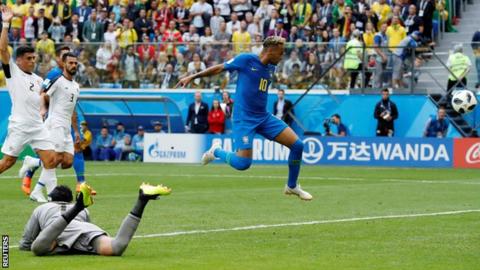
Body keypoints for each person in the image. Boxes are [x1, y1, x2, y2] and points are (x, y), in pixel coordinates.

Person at [176, 36, 312, 201]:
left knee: (297, 145)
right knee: (243, 164)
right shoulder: (246, 60)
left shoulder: (271, 68)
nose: (282, 56)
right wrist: (192, 77)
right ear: (271, 50)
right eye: (281, 52)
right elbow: (219, 68)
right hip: (244, 119)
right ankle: (216, 151)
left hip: (263, 117)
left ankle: (291, 186)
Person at [19, 183, 171, 256]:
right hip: (83, 230)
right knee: (116, 248)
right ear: (70, 200)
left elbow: (26, 241)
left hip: (54, 234)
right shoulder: (85, 211)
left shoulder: (41, 208)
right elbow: (87, 228)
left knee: (37, 248)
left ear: (50, 200)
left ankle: (74, 210)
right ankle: (142, 199)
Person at [0, 7, 56, 184]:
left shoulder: (39, 80)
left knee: (51, 160)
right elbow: (2, 49)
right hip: (20, 125)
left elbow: (41, 100)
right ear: (18, 60)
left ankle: (45, 195)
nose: (33, 61)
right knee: (8, 162)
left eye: (34, 58)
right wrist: (6, 23)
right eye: (29, 58)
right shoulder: (13, 73)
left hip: (37, 126)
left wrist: (43, 109)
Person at [20, 52, 81, 203]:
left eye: (75, 63)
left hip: (66, 127)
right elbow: (42, 93)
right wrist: (42, 110)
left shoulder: (76, 86)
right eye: (71, 63)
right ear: (64, 64)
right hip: (55, 124)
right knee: (53, 160)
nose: (73, 65)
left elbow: (72, 109)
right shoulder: (57, 80)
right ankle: (50, 196)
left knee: (67, 161)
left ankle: (32, 162)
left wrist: (76, 130)